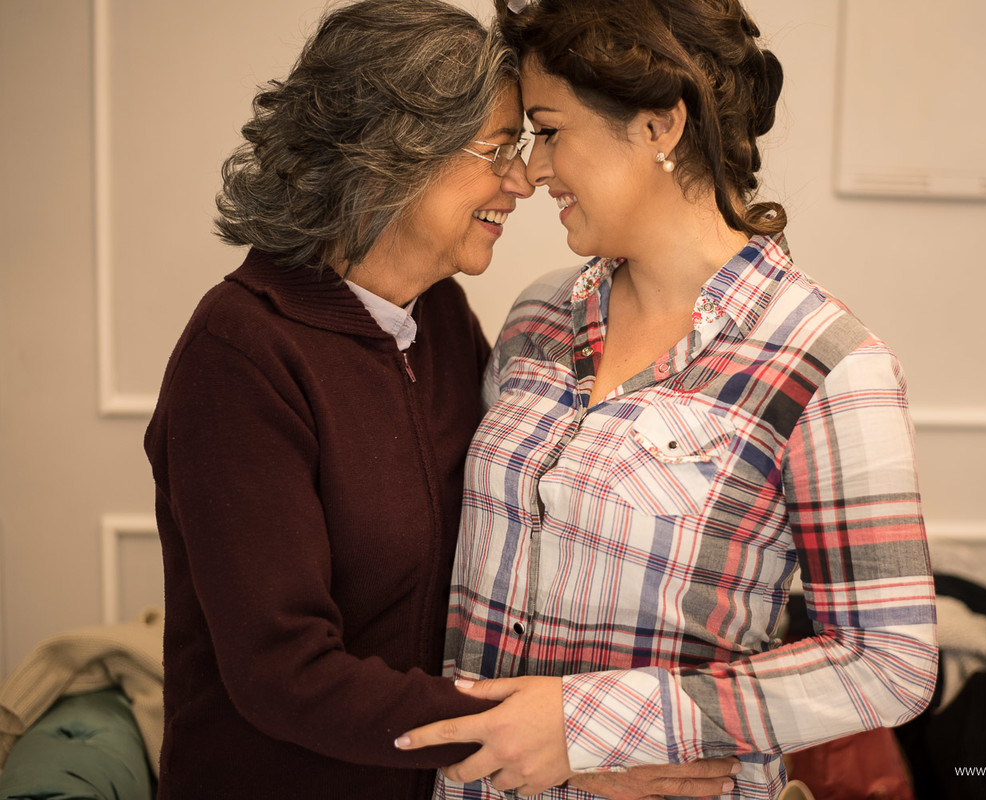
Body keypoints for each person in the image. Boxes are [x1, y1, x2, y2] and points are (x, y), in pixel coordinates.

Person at [395, 0, 940, 798]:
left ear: (658, 127)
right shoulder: (537, 316)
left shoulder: (828, 367)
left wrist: (599, 731)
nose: (533, 170)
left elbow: (890, 661)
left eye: (549, 130)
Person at [143, 0, 532, 795]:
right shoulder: (241, 354)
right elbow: (286, 672)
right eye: (499, 149)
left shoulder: (443, 315)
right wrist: (515, 733)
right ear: (396, 155)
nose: (522, 181)